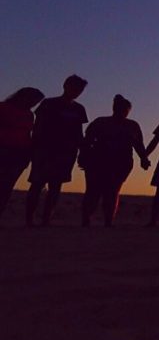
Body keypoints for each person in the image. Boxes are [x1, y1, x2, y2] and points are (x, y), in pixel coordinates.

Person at [25, 74, 88, 226]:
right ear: (65, 86)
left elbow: (79, 133)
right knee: (37, 184)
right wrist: (34, 148)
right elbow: (38, 127)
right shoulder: (49, 104)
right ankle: (29, 219)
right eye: (74, 88)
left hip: (66, 153)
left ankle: (46, 219)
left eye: (79, 90)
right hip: (45, 150)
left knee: (56, 186)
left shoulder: (79, 109)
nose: (77, 92)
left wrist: (83, 151)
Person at [79, 95, 149, 227]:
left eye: (124, 109)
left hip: (120, 163)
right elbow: (87, 141)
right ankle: (87, 219)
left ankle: (107, 221)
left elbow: (138, 144)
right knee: (94, 191)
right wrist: (83, 156)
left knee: (111, 191)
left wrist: (144, 158)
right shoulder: (101, 122)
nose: (122, 111)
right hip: (98, 161)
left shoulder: (132, 125)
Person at [0, 87, 45, 223]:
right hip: (3, 149)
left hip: (19, 153)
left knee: (7, 187)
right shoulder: (3, 108)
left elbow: (28, 134)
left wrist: (28, 154)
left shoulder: (29, 115)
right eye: (33, 100)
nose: (33, 103)